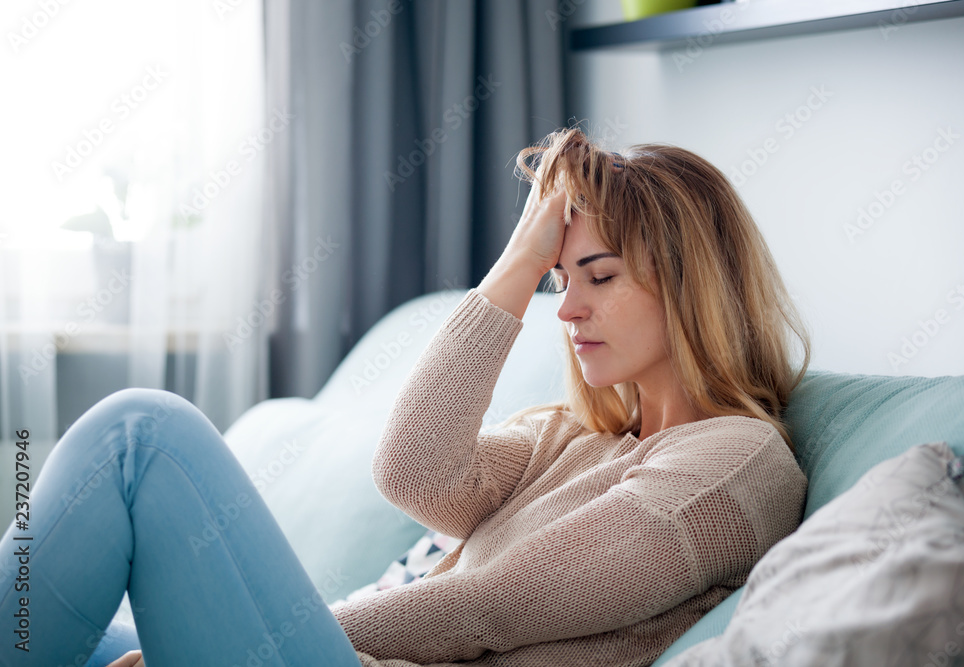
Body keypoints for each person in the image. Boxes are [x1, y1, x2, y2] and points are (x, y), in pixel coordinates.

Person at [0, 127, 810, 667]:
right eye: (558, 279)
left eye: (598, 277)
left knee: (144, 435)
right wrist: (516, 262)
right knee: (76, 632)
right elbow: (413, 473)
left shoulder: (733, 461)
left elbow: (491, 607)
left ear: (691, 287)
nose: (563, 309)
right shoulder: (570, 439)